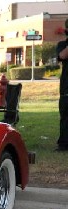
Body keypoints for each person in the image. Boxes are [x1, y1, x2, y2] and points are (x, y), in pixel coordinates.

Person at [55, 20, 68, 151]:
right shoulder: (62, 45)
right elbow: (62, 56)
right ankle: (64, 144)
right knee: (65, 117)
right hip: (66, 88)